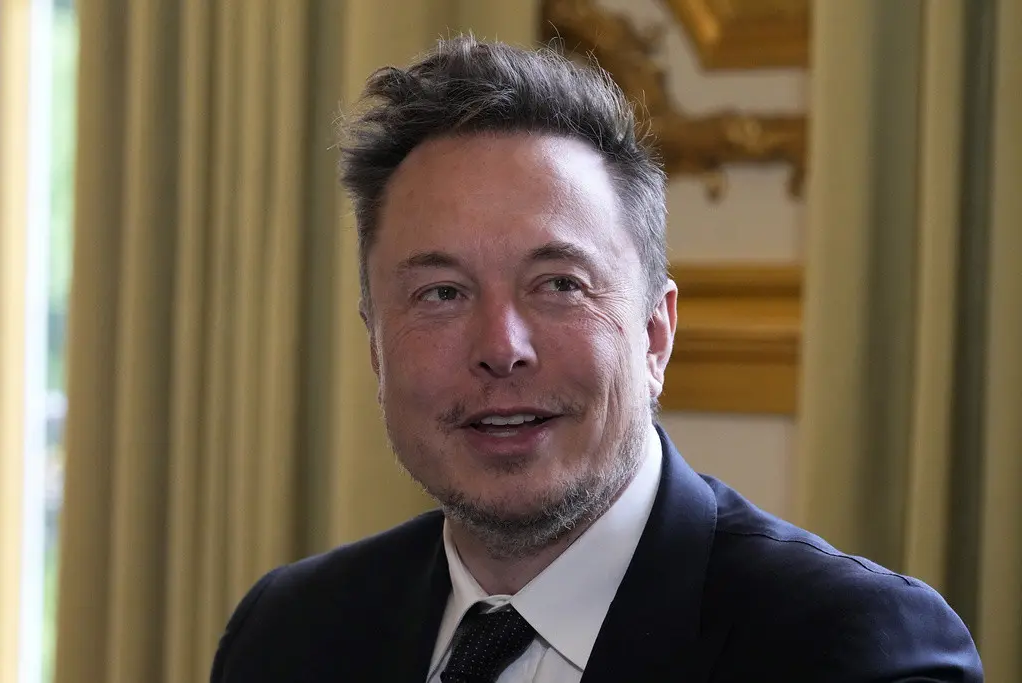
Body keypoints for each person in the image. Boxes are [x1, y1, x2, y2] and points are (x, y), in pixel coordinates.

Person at [210, 36, 982, 683]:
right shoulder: (288, 634)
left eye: (558, 284)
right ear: (375, 343)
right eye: (441, 293)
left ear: (655, 334)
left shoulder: (853, 652)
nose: (501, 348)